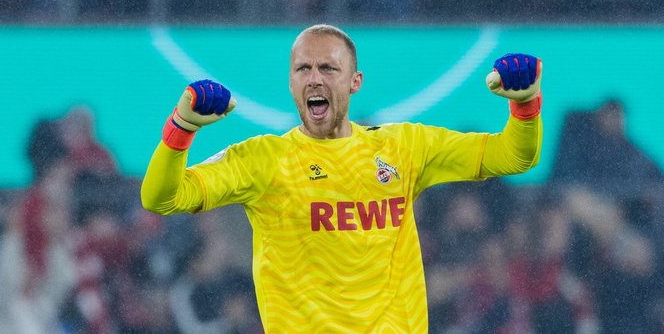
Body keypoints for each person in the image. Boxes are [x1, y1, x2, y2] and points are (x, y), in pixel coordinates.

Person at [140, 24, 543, 333]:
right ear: (292, 82)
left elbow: (513, 155)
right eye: (303, 69)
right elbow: (163, 198)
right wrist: (181, 130)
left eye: (328, 68)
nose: (314, 78)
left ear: (355, 82)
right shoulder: (263, 160)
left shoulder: (406, 146)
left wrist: (525, 104)